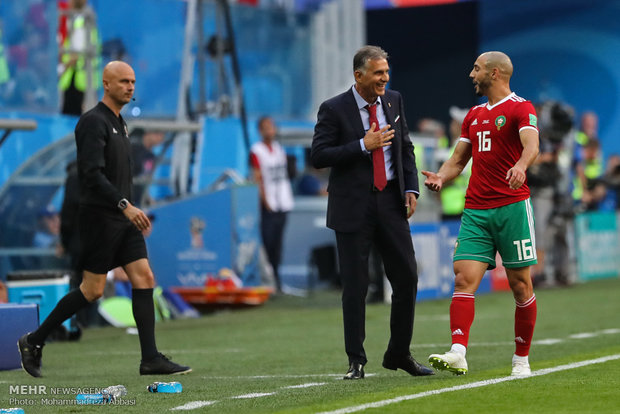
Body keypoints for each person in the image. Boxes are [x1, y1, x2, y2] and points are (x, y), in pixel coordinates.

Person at [18, 61, 191, 377]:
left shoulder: (120, 122)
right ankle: (34, 340)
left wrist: (130, 210)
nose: (130, 87)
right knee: (92, 290)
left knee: (144, 278)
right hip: (101, 219)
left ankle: (150, 359)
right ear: (106, 84)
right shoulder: (92, 122)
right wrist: (125, 205)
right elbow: (91, 174)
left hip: (124, 219)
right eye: (123, 81)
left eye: (133, 82)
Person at [311, 45, 434, 380]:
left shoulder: (394, 100)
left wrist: (410, 187)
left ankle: (399, 353)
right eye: (378, 73)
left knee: (407, 277)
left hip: (391, 203)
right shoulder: (333, 108)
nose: (385, 78)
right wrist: (364, 145)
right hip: (353, 207)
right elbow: (319, 155)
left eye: (386, 72)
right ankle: (356, 361)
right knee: (355, 285)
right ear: (359, 75)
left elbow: (404, 146)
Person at [423, 51, 539, 377]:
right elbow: (459, 159)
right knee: (463, 278)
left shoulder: (521, 108)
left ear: (496, 73)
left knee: (520, 286)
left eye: (476, 68)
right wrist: (442, 177)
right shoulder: (473, 115)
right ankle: (458, 351)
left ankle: (521, 359)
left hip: (513, 208)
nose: (471, 74)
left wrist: (520, 165)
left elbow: (532, 145)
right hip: (476, 209)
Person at [249, 116, 294, 292]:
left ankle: (277, 279)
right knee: (268, 243)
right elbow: (257, 177)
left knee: (278, 243)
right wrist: (264, 200)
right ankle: (269, 279)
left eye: (271, 127)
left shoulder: (279, 149)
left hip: (283, 201)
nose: (270, 131)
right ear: (260, 131)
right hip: (268, 205)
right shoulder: (257, 150)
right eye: (265, 127)